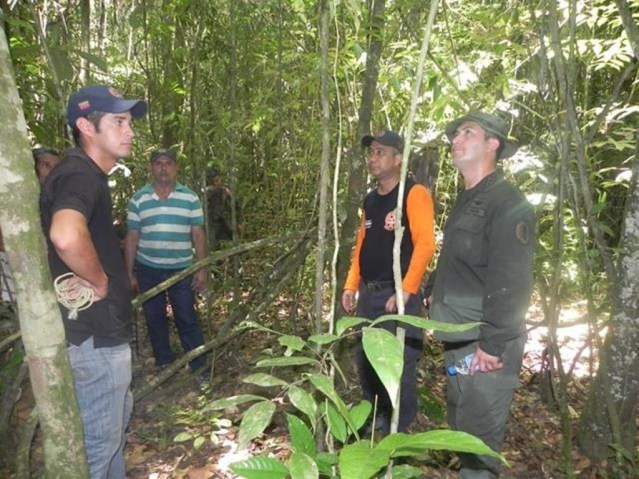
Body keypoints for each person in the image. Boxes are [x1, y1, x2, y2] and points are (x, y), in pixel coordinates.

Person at [40, 85, 147, 478]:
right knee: (99, 448)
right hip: (94, 338)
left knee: (111, 438)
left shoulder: (85, 174)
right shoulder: (79, 173)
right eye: (118, 121)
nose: (129, 130)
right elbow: (65, 235)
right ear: (86, 125)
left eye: (130, 122)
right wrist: (100, 281)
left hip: (98, 335)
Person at [426, 112, 535, 478]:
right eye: (455, 133)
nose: (457, 138)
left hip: (485, 347)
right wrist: (429, 291)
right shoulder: (468, 197)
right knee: (461, 423)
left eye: (468, 132)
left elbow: (513, 280)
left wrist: (492, 343)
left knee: (478, 444)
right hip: (459, 342)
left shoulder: (507, 201)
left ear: (493, 144)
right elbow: (462, 264)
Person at [342, 130, 436, 434]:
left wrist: (405, 290)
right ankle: (376, 418)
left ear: (398, 158)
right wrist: (350, 285)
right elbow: (362, 244)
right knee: (367, 360)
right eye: (371, 152)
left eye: (380, 152)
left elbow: (425, 244)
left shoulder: (413, 193)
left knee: (400, 363)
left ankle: (401, 427)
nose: (372, 158)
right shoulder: (370, 201)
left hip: (398, 296)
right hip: (370, 295)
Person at [124, 149, 207, 374]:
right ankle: (164, 362)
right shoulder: (139, 199)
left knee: (186, 316)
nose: (163, 168)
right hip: (148, 268)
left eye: (168, 163)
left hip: (181, 269)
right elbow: (132, 236)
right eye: (158, 163)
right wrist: (129, 273)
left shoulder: (189, 197)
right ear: (152, 168)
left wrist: (201, 269)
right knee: (154, 318)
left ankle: (198, 365)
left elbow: (198, 234)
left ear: (175, 167)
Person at [206, 168, 243, 249]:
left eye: (217, 180)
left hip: (227, 225)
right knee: (213, 248)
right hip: (213, 226)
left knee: (231, 246)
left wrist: (239, 223)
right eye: (213, 182)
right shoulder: (208, 193)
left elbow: (237, 207)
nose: (216, 183)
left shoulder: (226, 191)